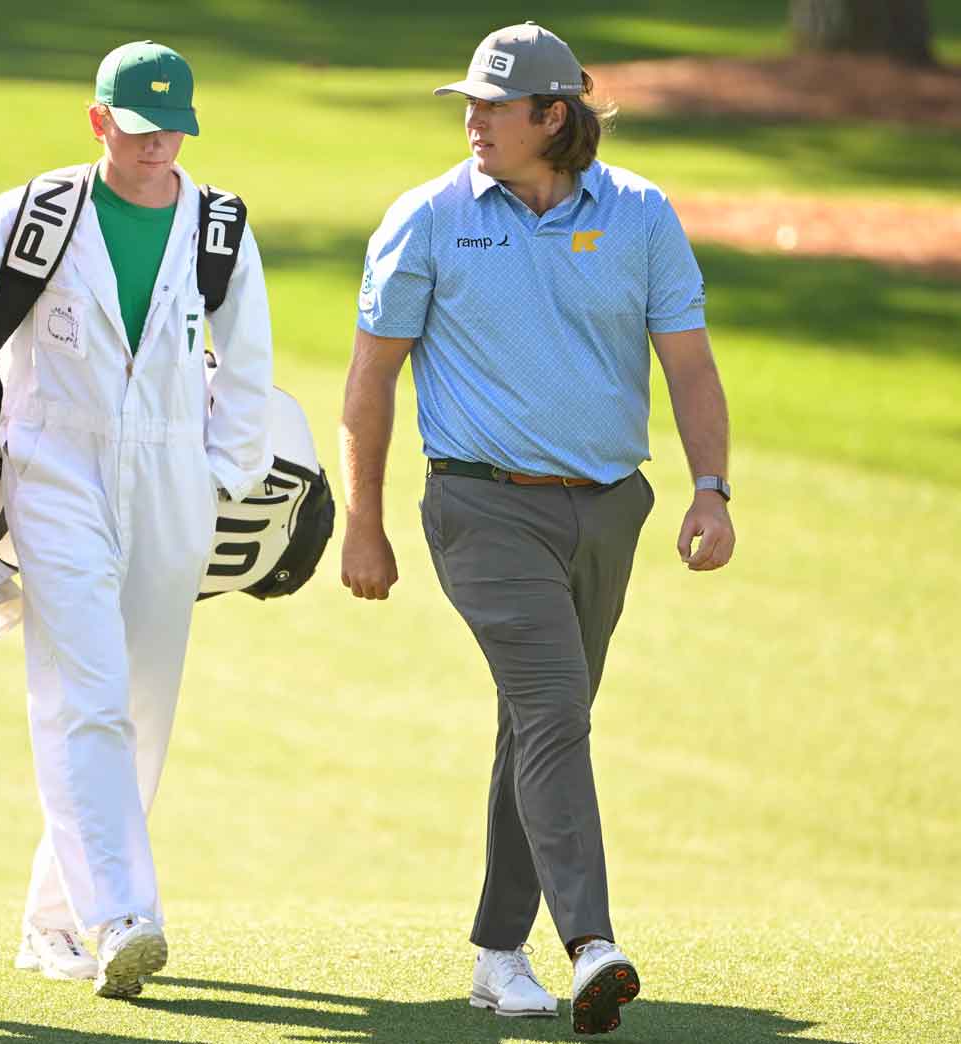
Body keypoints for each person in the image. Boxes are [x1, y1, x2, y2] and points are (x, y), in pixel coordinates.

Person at [338, 22, 736, 1037]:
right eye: (464, 105)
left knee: (535, 724)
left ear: (551, 117)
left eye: (489, 106)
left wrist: (708, 487)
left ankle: (493, 955)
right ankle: (589, 942)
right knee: (554, 707)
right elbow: (369, 380)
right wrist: (364, 523)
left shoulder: (640, 214)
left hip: (608, 507)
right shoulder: (427, 219)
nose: (469, 121)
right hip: (480, 506)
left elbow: (686, 363)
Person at [0, 40, 272, 999]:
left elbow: (248, 372)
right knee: (83, 693)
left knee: (140, 711)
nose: (154, 147)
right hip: (54, 472)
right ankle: (123, 918)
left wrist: (220, 482)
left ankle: (53, 922)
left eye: (170, 128)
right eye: (136, 129)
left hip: (175, 486)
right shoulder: (36, 217)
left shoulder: (219, 227)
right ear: (97, 122)